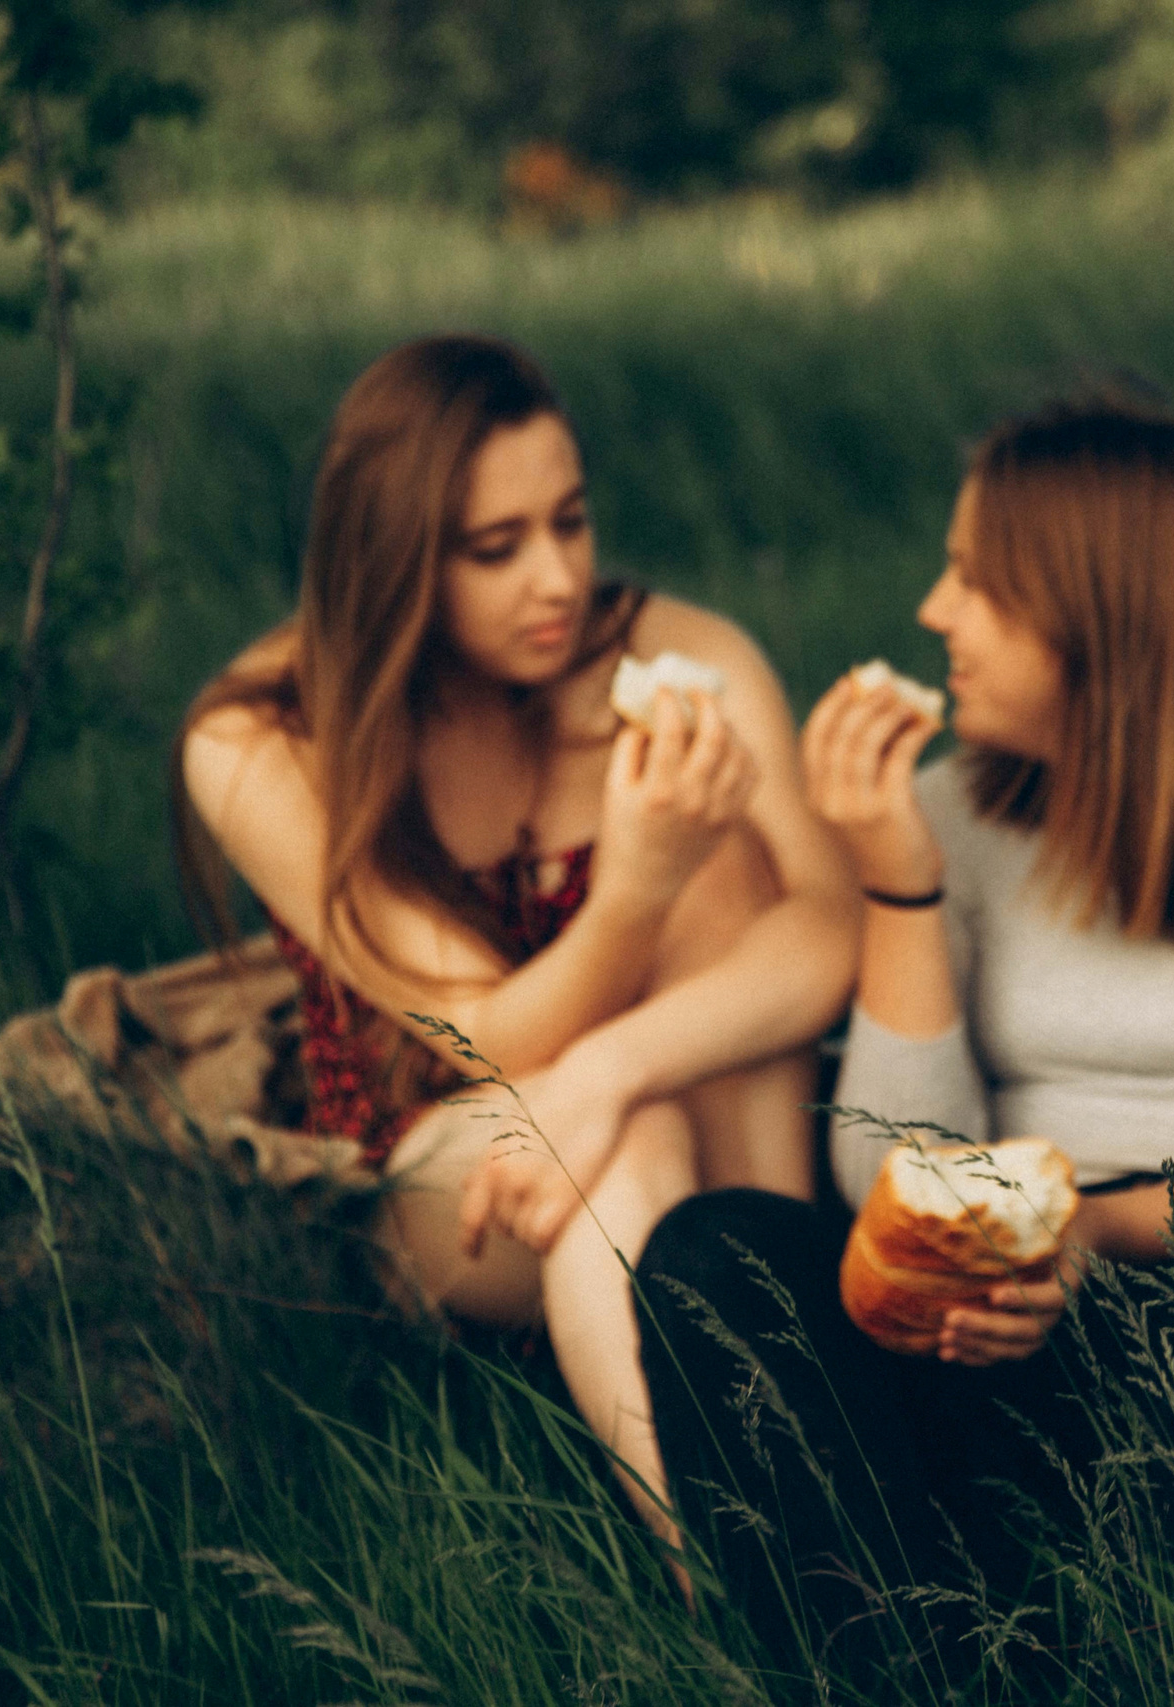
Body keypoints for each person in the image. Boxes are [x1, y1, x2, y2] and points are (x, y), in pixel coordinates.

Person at [633, 394, 1174, 1673]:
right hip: (1019, 1342)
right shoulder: (949, 811)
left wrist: (1079, 1225)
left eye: (976, 580)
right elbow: (887, 1182)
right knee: (713, 1253)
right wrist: (897, 886)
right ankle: (903, 1677)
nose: (932, 610)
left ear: (1095, 610)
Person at [173, 335, 859, 1547]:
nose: (556, 578)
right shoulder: (264, 735)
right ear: (392, 563)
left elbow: (826, 927)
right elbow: (478, 1038)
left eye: (571, 521)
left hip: (675, 1107)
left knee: (732, 884)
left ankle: (790, 1373)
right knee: (628, 1134)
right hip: (447, 1175)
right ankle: (733, 1572)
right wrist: (634, 887)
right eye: (496, 550)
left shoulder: (672, 655)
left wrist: (612, 1061)